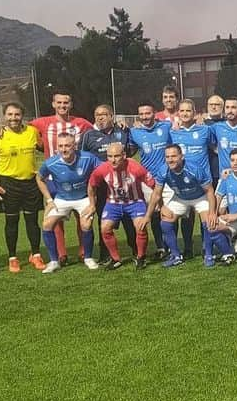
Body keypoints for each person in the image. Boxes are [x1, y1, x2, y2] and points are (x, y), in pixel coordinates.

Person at [27, 89, 94, 265]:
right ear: (53, 104)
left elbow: (98, 131)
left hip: (78, 177)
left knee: (82, 217)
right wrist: (0, 127)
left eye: (66, 103)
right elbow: (22, 127)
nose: (62, 106)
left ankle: (83, 252)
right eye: (59, 103)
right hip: (53, 178)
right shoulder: (43, 122)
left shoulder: (81, 123)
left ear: (71, 104)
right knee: (56, 219)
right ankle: (61, 254)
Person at [0, 102, 44, 273]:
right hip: (8, 183)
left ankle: (36, 254)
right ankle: (12, 257)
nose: (13, 118)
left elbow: (43, 147)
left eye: (17, 114)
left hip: (30, 182)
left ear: (22, 116)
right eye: (10, 115)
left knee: (32, 221)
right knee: (11, 221)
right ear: (4, 116)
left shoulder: (31, 132)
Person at [146, 144, 221, 268]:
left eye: (174, 156)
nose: (170, 159)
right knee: (165, 220)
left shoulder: (194, 169)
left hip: (200, 197)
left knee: (209, 222)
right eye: (167, 157)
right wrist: (159, 208)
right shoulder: (163, 170)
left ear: (182, 156)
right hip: (180, 198)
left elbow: (209, 191)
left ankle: (208, 254)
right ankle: (176, 256)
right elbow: (156, 194)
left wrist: (212, 212)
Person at [35, 133, 99, 273]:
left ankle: (88, 257)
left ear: (74, 146)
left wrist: (93, 200)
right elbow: (39, 178)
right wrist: (49, 200)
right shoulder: (50, 163)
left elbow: (102, 172)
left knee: (86, 224)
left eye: (67, 146)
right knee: (46, 224)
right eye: (61, 146)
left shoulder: (88, 158)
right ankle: (53, 261)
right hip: (62, 199)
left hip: (83, 198)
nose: (64, 149)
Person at [87, 142, 155, 270]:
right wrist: (92, 204)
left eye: (116, 156)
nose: (113, 160)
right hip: (113, 203)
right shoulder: (102, 169)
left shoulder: (135, 167)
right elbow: (91, 185)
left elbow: (153, 184)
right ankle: (116, 259)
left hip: (135, 202)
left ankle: (141, 257)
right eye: (110, 156)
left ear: (124, 155)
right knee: (105, 228)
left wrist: (159, 203)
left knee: (140, 227)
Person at [170, 99, 216, 258]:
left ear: (194, 113)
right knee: (187, 217)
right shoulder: (173, 132)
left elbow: (214, 146)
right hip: (182, 182)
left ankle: (206, 247)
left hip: (203, 182)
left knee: (205, 216)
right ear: (178, 114)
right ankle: (188, 247)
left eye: (188, 111)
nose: (184, 114)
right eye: (181, 111)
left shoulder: (205, 130)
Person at [130, 100, 173, 258]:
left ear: (154, 113)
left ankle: (171, 245)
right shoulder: (134, 132)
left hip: (168, 178)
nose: (144, 116)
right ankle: (161, 246)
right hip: (148, 180)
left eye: (147, 113)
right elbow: (129, 151)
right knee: (154, 212)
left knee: (169, 212)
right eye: (141, 114)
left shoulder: (166, 126)